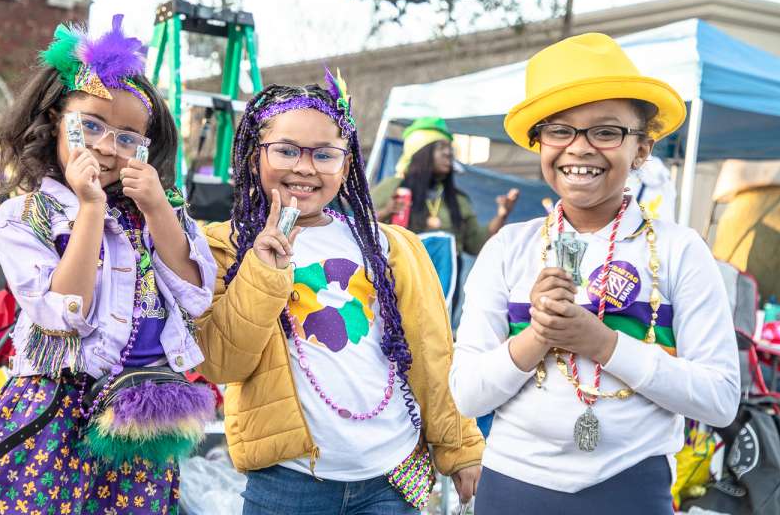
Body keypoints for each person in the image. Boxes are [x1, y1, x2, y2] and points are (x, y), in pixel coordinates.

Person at [0, 15, 217, 515]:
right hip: (52, 410)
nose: (109, 147)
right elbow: (64, 312)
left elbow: (196, 294)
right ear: (52, 125)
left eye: (129, 137)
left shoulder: (157, 208)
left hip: (139, 419)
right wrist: (90, 210)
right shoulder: (25, 215)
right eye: (91, 126)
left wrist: (157, 211)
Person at [449, 33, 740, 514]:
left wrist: (603, 343)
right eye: (560, 130)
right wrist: (537, 336)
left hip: (631, 487)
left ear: (642, 149)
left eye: (606, 132)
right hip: (513, 486)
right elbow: (467, 395)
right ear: (539, 141)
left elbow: (720, 399)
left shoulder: (680, 250)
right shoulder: (508, 249)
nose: (579, 149)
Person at [194, 72, 484, 514]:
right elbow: (221, 361)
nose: (305, 167)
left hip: (391, 474)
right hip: (288, 481)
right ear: (255, 157)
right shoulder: (224, 247)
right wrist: (260, 269)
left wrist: (460, 446)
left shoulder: (395, 246)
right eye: (286, 150)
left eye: (325, 154)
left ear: (345, 166)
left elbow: (432, 354)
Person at [372, 117, 518, 256]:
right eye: (441, 147)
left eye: (449, 148)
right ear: (422, 153)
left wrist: (502, 215)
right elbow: (359, 229)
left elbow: (476, 245)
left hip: (447, 281)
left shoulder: (458, 200)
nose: (448, 153)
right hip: (405, 279)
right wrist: (386, 212)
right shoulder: (394, 189)